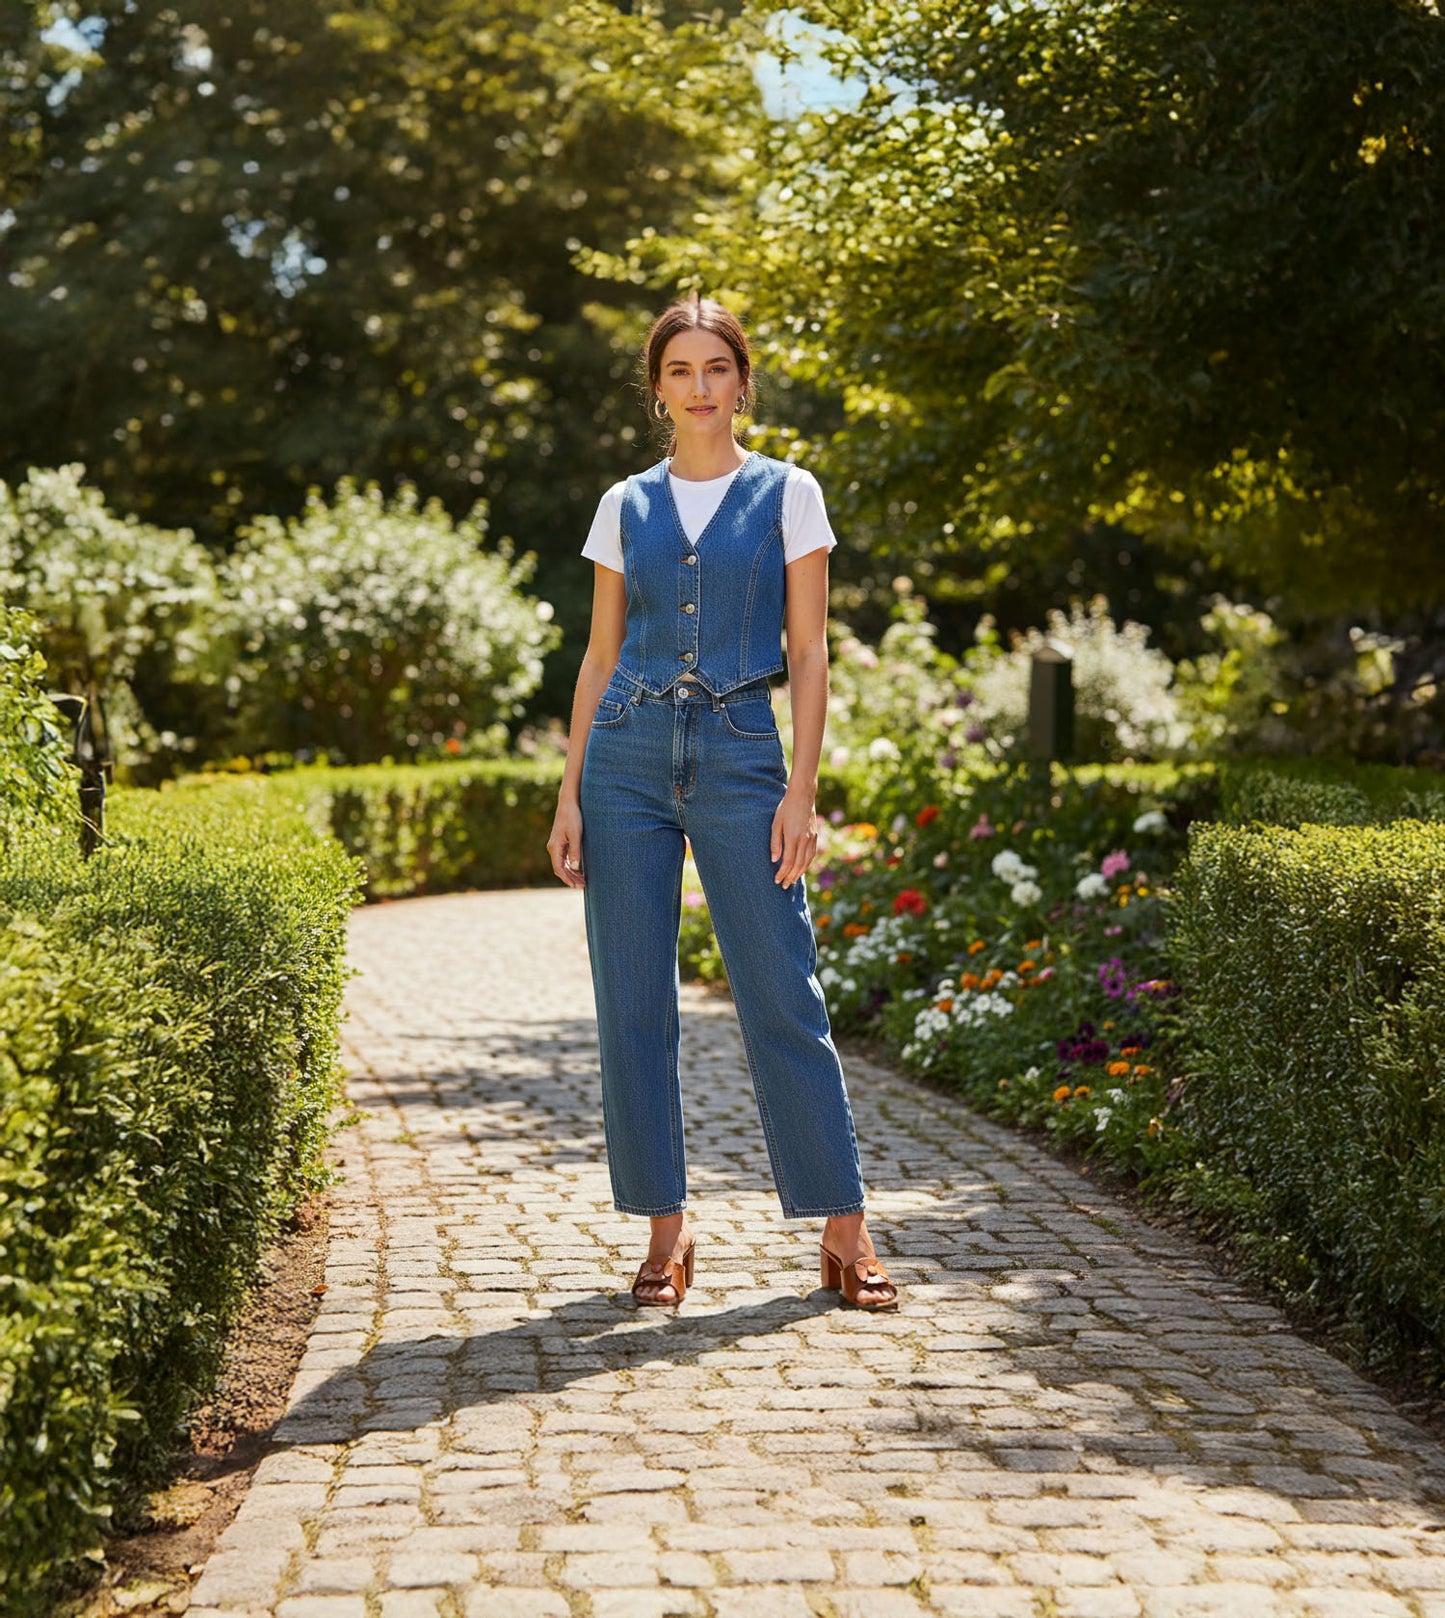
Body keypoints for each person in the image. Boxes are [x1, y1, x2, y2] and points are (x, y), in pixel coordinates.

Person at [546, 294, 897, 1313]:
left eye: (714, 368)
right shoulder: (626, 504)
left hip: (744, 751)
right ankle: (666, 1231)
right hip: (624, 759)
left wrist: (802, 786)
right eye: (678, 371)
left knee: (782, 989)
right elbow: (600, 654)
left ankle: (844, 1226)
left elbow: (809, 648)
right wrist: (570, 789)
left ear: (743, 380)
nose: (698, 387)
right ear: (656, 391)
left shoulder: (789, 494)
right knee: (633, 1001)